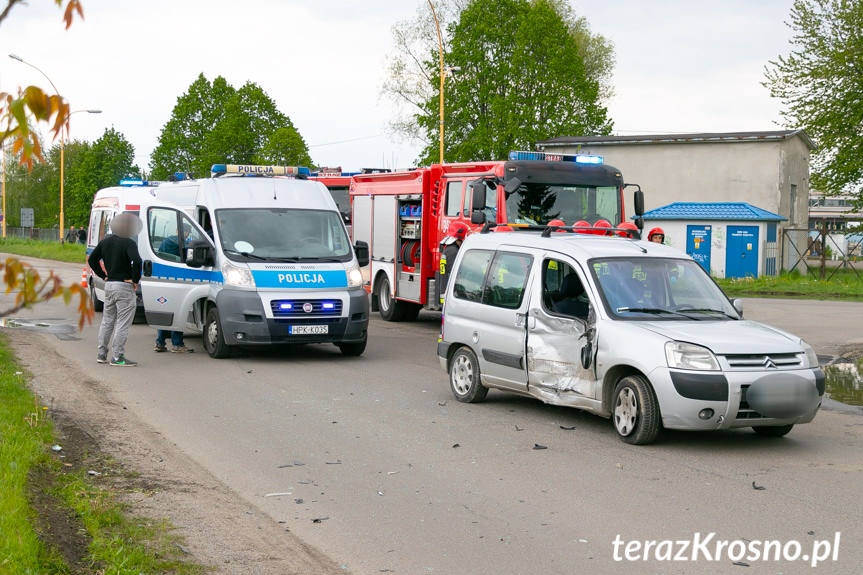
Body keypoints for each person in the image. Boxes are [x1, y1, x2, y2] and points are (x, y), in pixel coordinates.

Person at [87, 212, 142, 367]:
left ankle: (101, 353)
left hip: (109, 285)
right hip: (124, 286)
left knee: (107, 321)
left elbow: (92, 259)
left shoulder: (106, 242)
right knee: (123, 323)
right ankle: (117, 357)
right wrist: (135, 280)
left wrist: (104, 276)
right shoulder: (129, 243)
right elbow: (137, 261)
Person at [439, 221, 467, 302]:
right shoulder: (453, 251)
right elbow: (453, 273)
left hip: (445, 291)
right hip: (449, 294)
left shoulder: (448, 249)